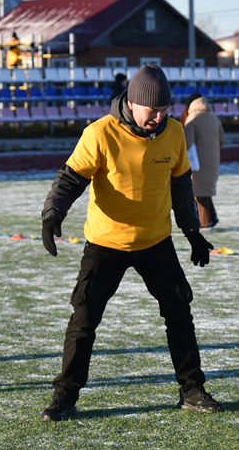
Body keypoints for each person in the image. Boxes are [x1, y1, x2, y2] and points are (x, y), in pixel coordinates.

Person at [40, 65, 221, 421]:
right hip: (106, 243)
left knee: (179, 314)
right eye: (151, 110)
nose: (158, 117)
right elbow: (70, 179)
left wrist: (192, 232)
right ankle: (64, 396)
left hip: (156, 241)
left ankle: (192, 390)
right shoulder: (100, 134)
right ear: (132, 102)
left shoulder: (173, 134)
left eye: (164, 110)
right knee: (84, 319)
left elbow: (182, 187)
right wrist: (52, 215)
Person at [182, 93, 225, 230]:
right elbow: (222, 139)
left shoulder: (193, 119)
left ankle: (205, 222)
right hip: (213, 159)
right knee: (206, 190)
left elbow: (187, 142)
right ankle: (212, 216)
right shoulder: (214, 118)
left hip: (198, 163)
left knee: (199, 192)